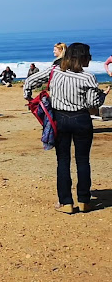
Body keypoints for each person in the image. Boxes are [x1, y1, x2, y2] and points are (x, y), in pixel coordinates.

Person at [23, 43, 110, 214]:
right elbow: (93, 103)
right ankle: (84, 201)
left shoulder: (54, 71)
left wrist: (28, 95)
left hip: (60, 119)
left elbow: (30, 81)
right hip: (82, 119)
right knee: (83, 160)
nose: (90, 58)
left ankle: (66, 203)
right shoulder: (89, 77)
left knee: (63, 161)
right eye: (88, 55)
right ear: (82, 58)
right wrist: (102, 95)